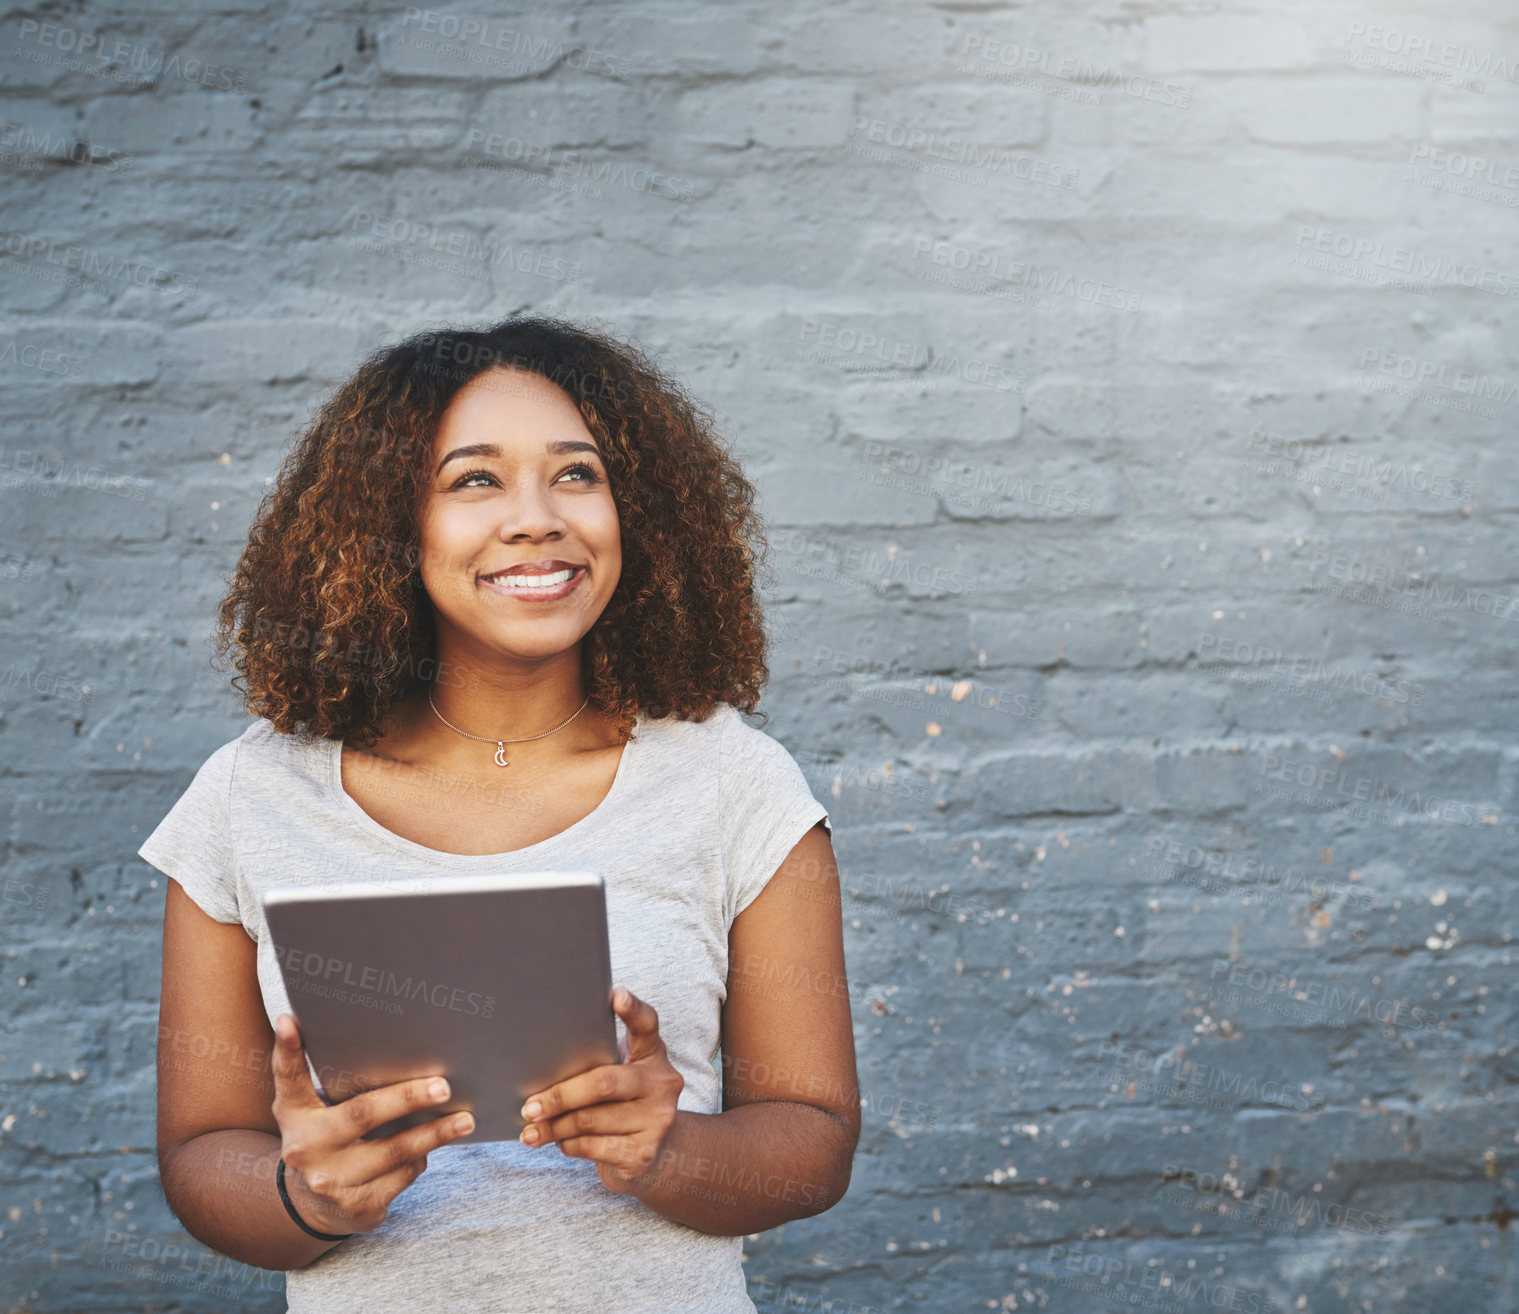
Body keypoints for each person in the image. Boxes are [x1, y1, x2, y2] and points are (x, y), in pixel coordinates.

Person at [141, 314, 860, 1313]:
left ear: (637, 512)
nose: (536, 517)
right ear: (391, 525)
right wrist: (310, 1197)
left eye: (578, 474)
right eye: (474, 479)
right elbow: (198, 1154)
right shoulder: (250, 797)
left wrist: (666, 1151)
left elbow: (812, 1144)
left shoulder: (734, 783)